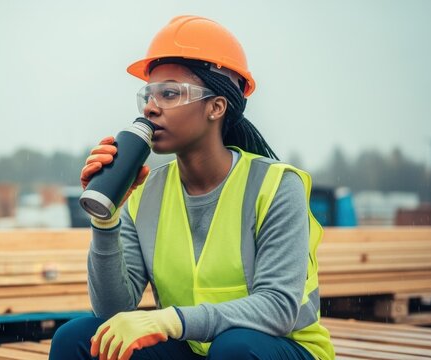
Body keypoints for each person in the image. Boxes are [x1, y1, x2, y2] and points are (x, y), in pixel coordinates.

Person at [50, 15, 334, 360]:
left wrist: (168, 320)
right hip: (196, 347)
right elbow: (114, 309)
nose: (152, 107)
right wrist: (106, 219)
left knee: (235, 348)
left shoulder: (275, 186)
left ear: (216, 107)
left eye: (169, 93)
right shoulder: (145, 192)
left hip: (280, 347)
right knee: (80, 338)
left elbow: (276, 308)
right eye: (148, 96)